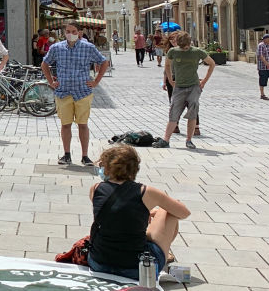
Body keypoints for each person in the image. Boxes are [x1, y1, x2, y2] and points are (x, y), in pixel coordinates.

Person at [86, 143, 190, 281]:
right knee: (169, 211)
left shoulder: (96, 189)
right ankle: (163, 255)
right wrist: (158, 209)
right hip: (135, 269)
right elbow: (184, 213)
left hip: (98, 263)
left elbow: (118, 213)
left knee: (124, 225)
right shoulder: (146, 192)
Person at [42, 21, 109, 165]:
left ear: (79, 33)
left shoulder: (88, 47)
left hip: (82, 91)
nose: (70, 34)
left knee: (82, 124)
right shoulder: (56, 48)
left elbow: (104, 62)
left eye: (73, 31)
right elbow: (44, 63)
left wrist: (96, 81)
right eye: (67, 31)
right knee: (65, 124)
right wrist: (50, 81)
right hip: (63, 92)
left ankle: (85, 156)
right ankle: (66, 154)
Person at [152, 31, 215, 150]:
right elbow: (167, 65)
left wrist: (204, 81)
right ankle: (166, 140)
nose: (184, 49)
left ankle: (189, 140)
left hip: (194, 87)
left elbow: (212, 63)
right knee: (173, 113)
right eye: (182, 46)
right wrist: (170, 80)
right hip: (179, 87)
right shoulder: (173, 51)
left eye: (185, 46)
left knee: (192, 113)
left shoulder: (197, 52)